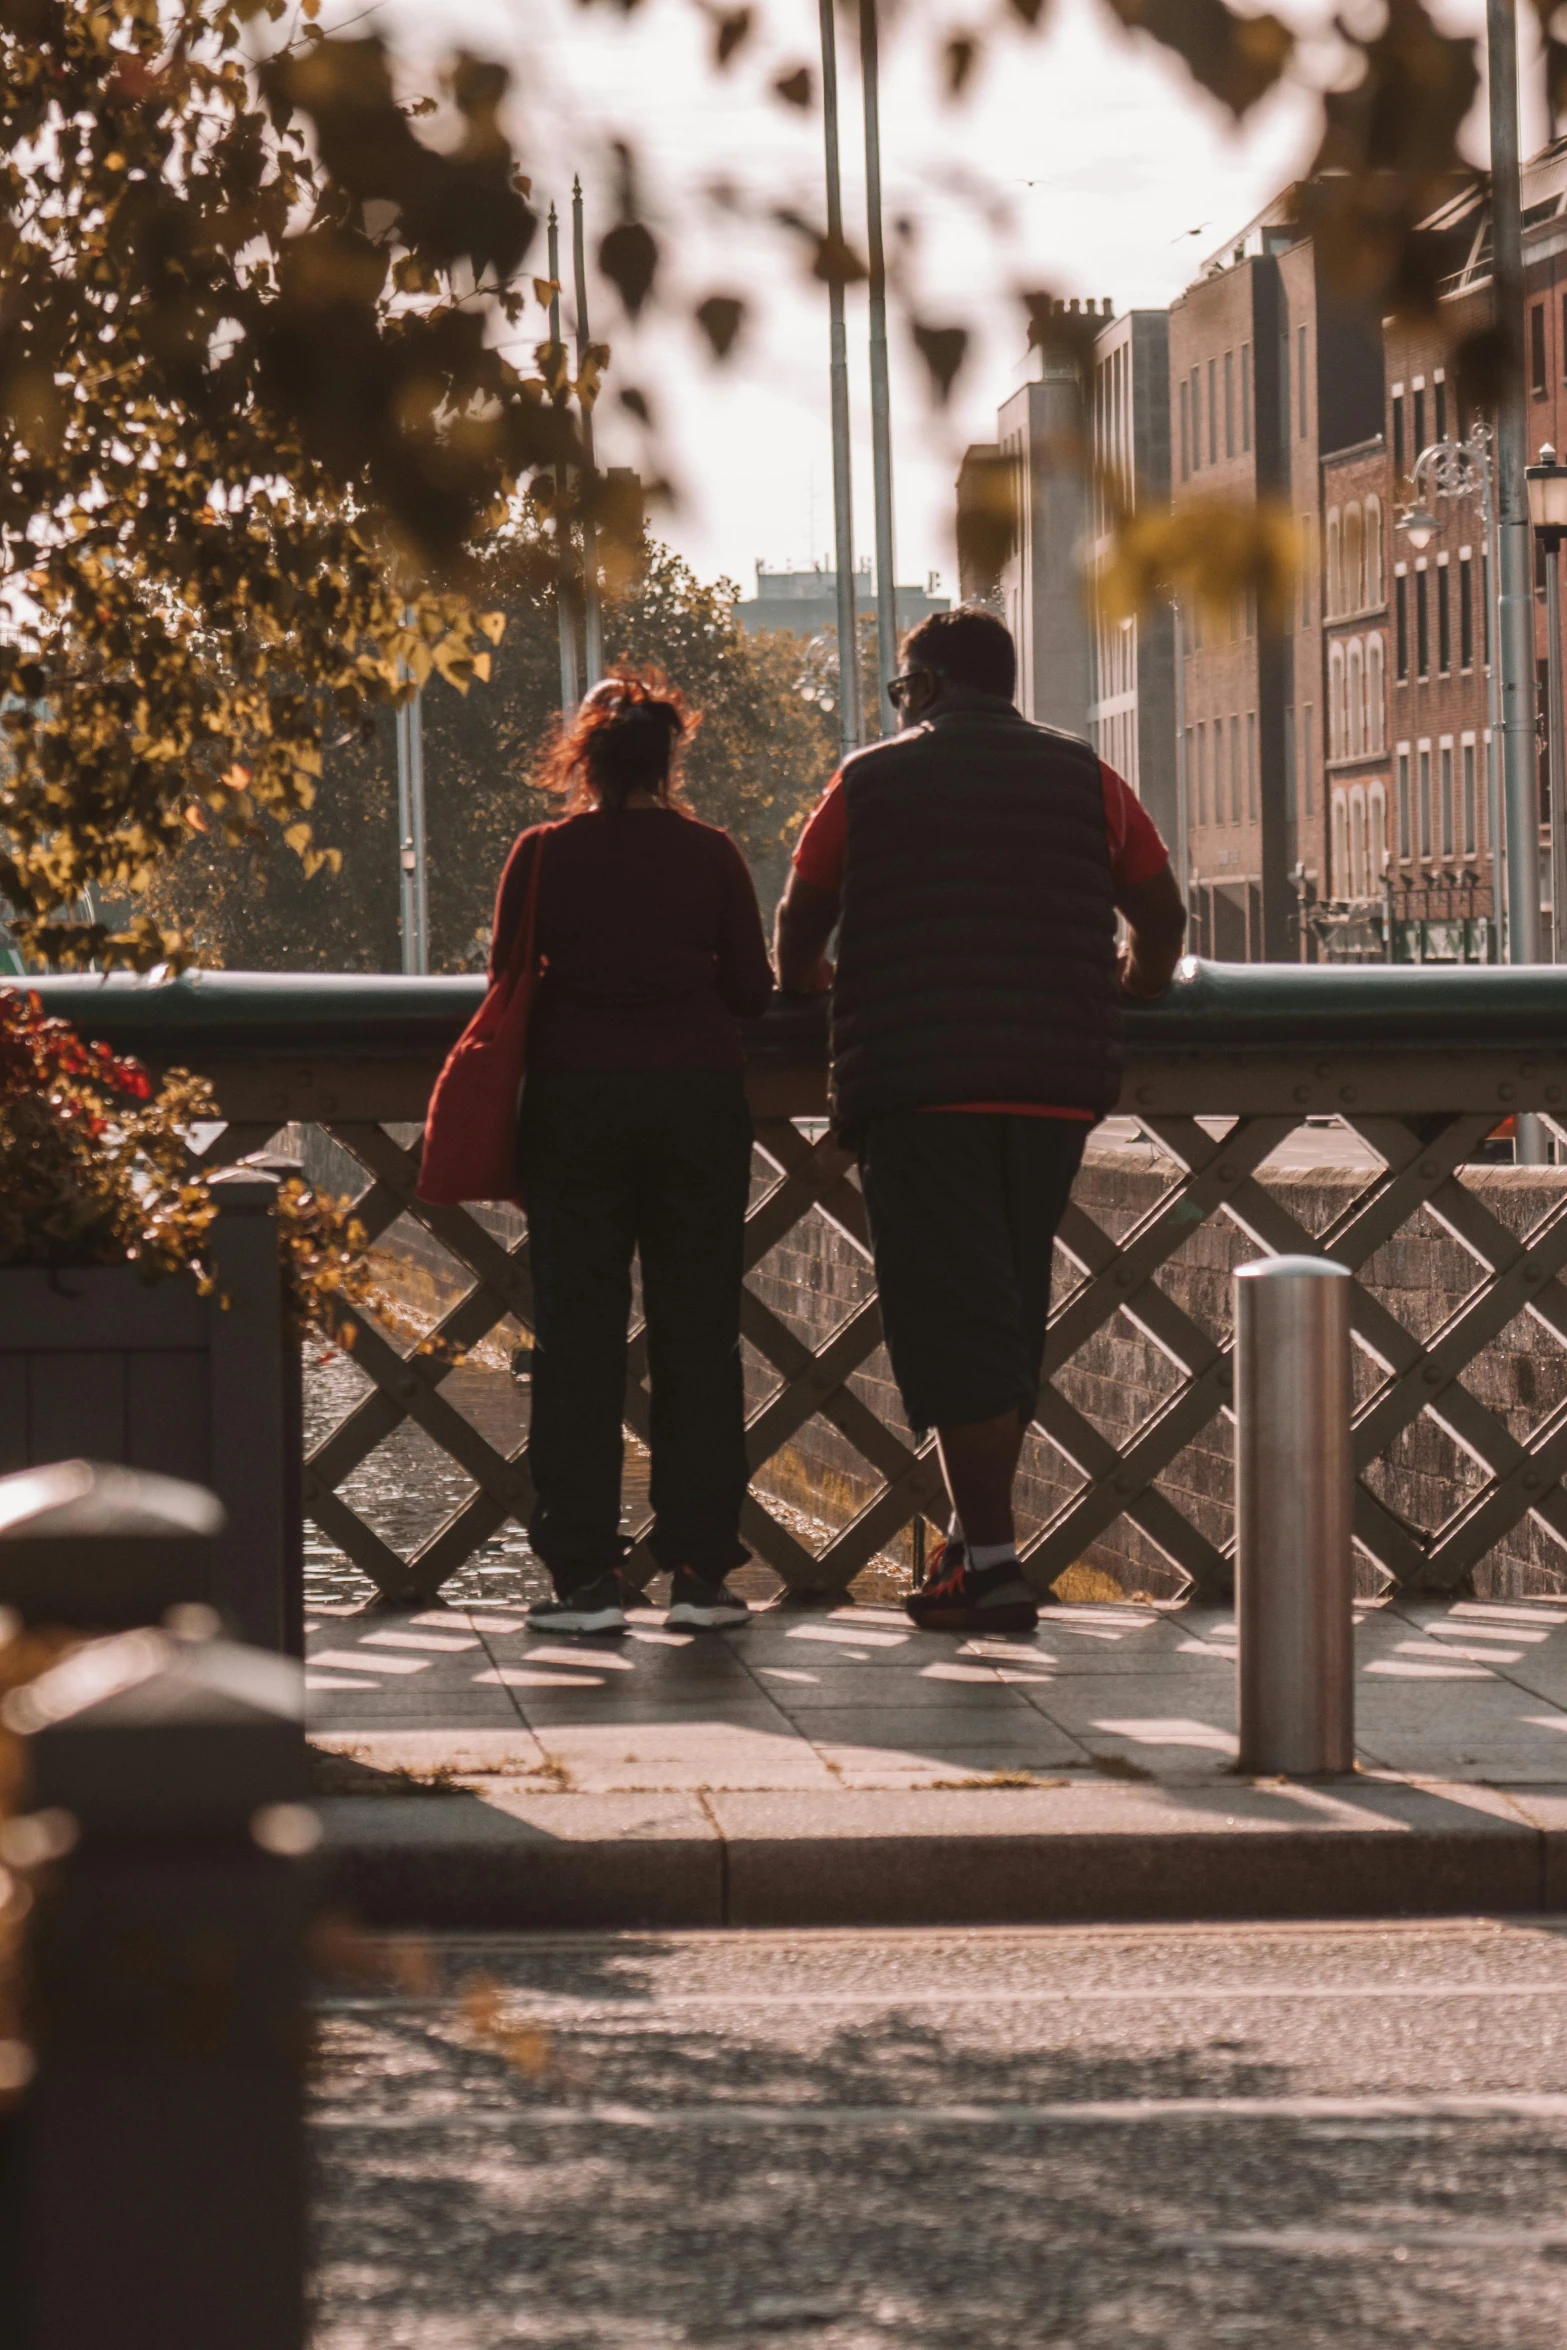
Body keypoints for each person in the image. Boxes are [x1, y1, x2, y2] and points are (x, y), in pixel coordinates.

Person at [774, 606, 1186, 1634]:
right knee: (1008, 1303)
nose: (900, 704)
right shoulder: (1086, 774)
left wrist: (805, 983)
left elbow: (799, 913)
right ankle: (976, 1546)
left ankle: (991, 1563)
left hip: (921, 1083)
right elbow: (1163, 916)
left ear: (933, 682)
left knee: (953, 1314)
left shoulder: (867, 779)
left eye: (904, 688)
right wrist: (1132, 984)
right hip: (1051, 1081)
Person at [491, 667, 774, 1635]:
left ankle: (584, 1574)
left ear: (584, 760)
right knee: (697, 1328)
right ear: (668, 758)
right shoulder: (712, 855)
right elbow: (750, 988)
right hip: (696, 1103)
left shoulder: (540, 855)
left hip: (575, 1105)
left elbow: (503, 980)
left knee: (577, 1333)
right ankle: (698, 1567)